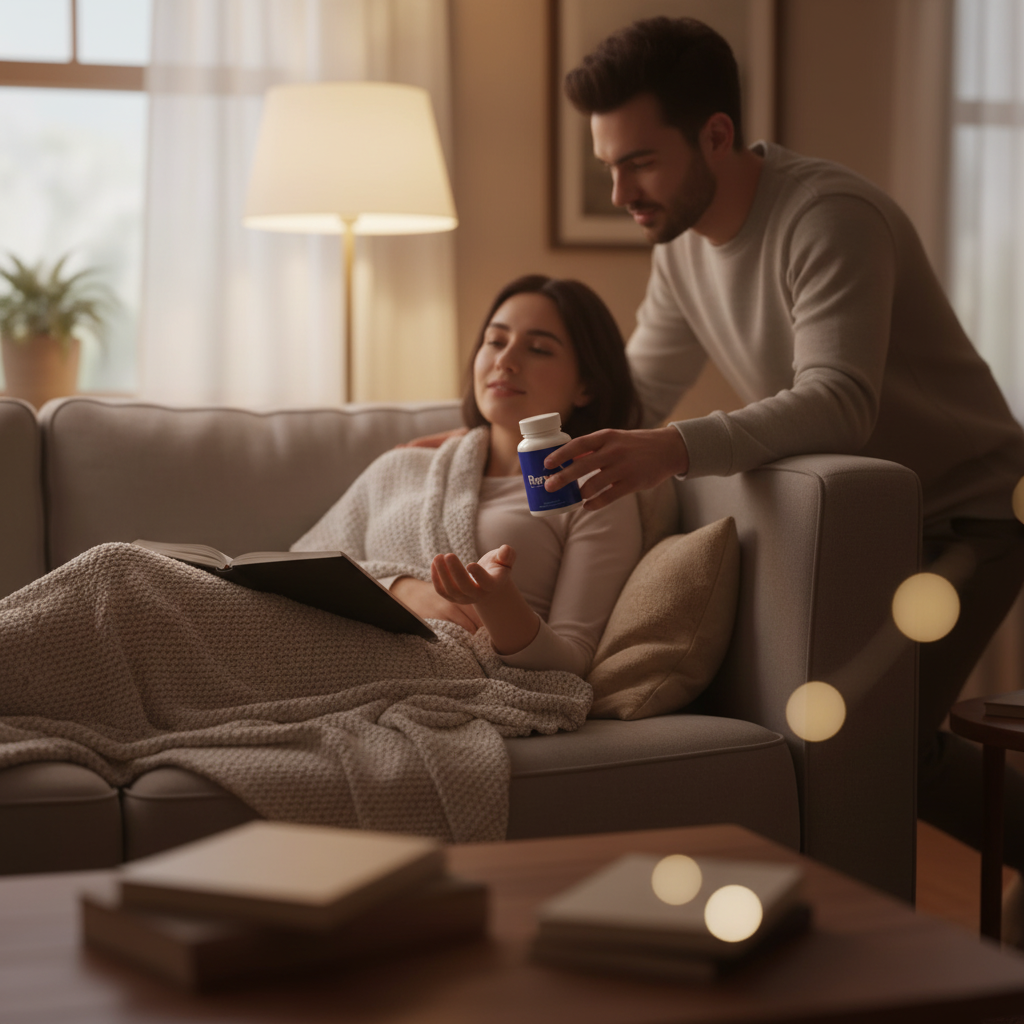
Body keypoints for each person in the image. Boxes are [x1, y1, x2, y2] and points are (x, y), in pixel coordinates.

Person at [536, 14, 1024, 903]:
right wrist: (486, 433)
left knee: (876, 753)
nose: (619, 191)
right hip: (869, 529)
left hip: (973, 515)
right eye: (608, 165)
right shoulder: (682, 248)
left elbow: (841, 400)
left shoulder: (828, 217)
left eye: (639, 161)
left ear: (716, 136)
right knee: (857, 746)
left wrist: (673, 452)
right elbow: (635, 395)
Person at [0, 274, 644, 842]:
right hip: (339, 624)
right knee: (122, 571)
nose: (506, 360)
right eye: (495, 339)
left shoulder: (598, 494)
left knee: (120, 577)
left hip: (444, 664)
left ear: (587, 383)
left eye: (538, 348)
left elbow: (570, 668)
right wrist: (399, 585)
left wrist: (497, 603)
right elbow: (307, 560)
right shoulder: (410, 464)